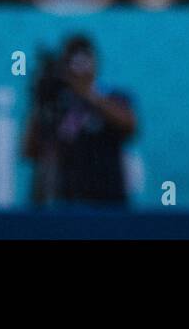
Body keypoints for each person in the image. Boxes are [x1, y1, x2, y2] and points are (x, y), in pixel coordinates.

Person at [22, 35, 138, 207]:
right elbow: (30, 151)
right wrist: (41, 101)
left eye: (84, 59)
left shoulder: (112, 97)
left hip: (108, 200)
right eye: (72, 61)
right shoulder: (57, 105)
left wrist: (86, 92)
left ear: (95, 62)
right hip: (64, 202)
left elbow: (129, 126)